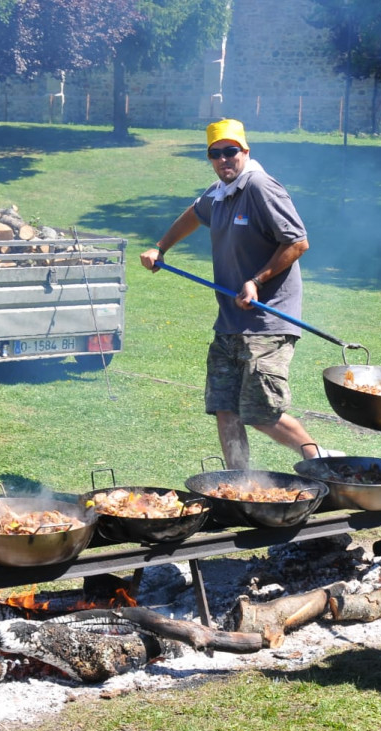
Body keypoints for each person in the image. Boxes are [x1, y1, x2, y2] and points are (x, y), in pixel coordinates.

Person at [140, 119, 330, 469]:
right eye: (216, 154)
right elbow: (195, 214)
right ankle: (238, 483)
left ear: (245, 152)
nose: (224, 159)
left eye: (231, 152)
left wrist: (257, 280)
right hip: (229, 322)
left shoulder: (259, 186)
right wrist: (161, 247)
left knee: (260, 412)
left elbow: (298, 241)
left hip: (267, 322)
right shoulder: (219, 192)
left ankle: (323, 460)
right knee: (225, 408)